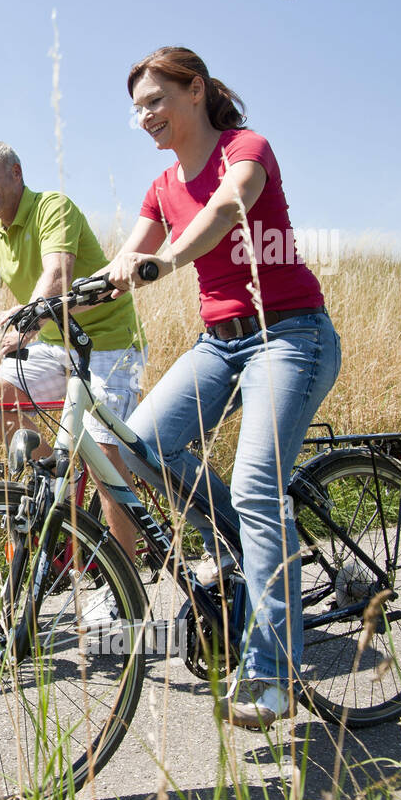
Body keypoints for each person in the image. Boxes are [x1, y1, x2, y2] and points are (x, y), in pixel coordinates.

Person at [104, 47, 341, 729]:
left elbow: (225, 211)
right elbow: (127, 254)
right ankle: (243, 544)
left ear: (196, 89)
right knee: (142, 443)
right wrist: (40, 311)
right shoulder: (160, 185)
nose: (144, 115)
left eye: (155, 100)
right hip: (221, 344)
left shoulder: (246, 147)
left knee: (255, 485)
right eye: (137, 107)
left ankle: (271, 674)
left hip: (291, 335)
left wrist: (165, 262)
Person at [0, 140, 146, 552]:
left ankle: (125, 587)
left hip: (111, 346)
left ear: (16, 172)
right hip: (55, 345)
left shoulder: (52, 207)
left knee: (105, 459)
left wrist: (21, 329)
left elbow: (57, 276)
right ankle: (58, 474)